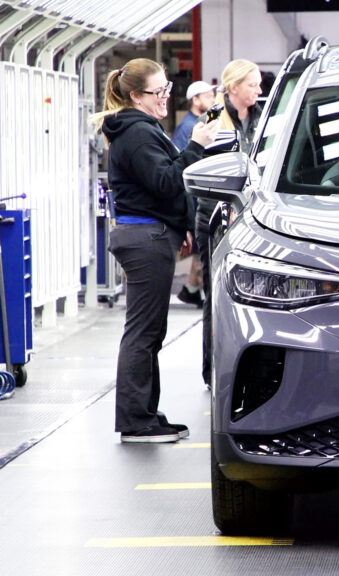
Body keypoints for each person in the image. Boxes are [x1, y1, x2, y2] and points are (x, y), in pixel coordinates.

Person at [91, 58, 219, 443]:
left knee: (150, 330)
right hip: (145, 240)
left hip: (150, 234)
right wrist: (196, 146)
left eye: (167, 89)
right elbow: (167, 182)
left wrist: (179, 224)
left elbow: (158, 187)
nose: (165, 96)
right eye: (158, 91)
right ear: (136, 96)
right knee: (143, 332)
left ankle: (146, 412)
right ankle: (135, 420)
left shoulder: (141, 128)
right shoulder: (137, 134)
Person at [196, 59, 263, 386]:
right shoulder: (212, 118)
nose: (259, 90)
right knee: (216, 295)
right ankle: (213, 371)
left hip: (253, 218)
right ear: (233, 87)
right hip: (216, 217)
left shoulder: (265, 118)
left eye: (259, 84)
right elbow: (196, 163)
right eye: (252, 84)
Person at [172, 80, 216, 308]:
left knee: (201, 249)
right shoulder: (188, 127)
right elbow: (181, 161)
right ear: (195, 100)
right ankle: (198, 292)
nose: (213, 100)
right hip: (193, 194)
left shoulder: (200, 123)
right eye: (207, 96)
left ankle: (191, 289)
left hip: (198, 193)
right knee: (200, 248)